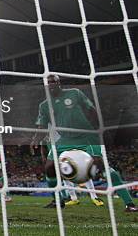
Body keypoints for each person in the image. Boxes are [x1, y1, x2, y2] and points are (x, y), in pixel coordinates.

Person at [32, 75, 136, 212]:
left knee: (102, 165)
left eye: (53, 81)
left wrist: (99, 129)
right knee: (49, 168)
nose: (51, 84)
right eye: (48, 82)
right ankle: (58, 200)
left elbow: (91, 111)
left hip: (87, 135)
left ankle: (129, 204)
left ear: (59, 83)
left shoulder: (75, 93)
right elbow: (42, 126)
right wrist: (35, 140)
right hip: (65, 139)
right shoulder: (44, 105)